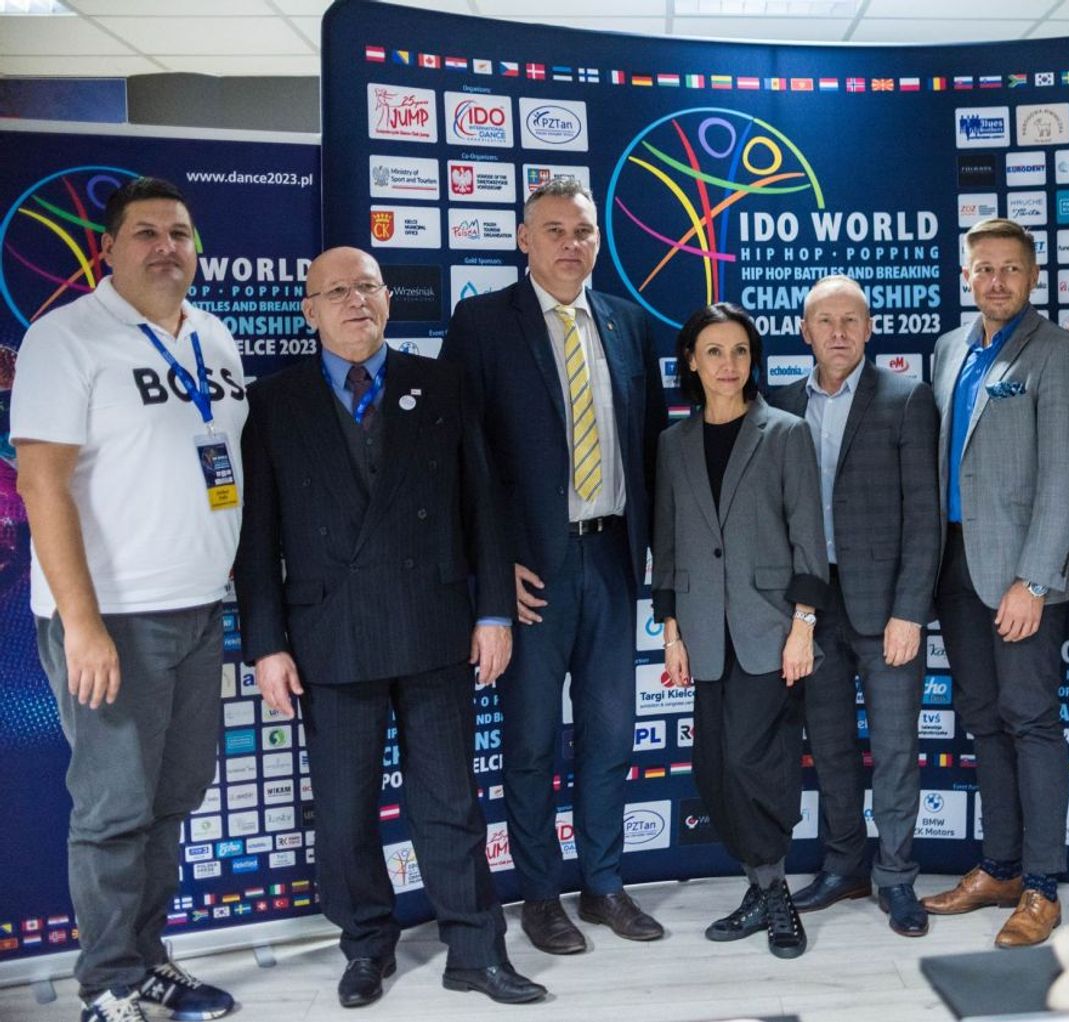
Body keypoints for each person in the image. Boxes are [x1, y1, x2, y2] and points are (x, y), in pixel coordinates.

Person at [234, 247, 545, 1007]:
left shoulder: (442, 383)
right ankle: (366, 945)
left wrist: (494, 611)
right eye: (336, 291)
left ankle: (475, 949)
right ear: (309, 310)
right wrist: (266, 644)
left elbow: (484, 507)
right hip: (330, 637)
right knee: (344, 812)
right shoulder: (272, 402)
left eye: (367, 287)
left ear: (387, 298)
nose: (355, 301)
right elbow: (257, 538)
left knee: (450, 804)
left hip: (435, 629)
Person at [13, 177, 243, 1022]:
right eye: (145, 233)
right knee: (114, 812)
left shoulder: (213, 336)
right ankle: (106, 983)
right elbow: (40, 484)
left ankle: (147, 960)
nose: (166, 247)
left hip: (199, 610)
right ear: (107, 249)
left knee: (172, 802)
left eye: (179, 233)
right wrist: (82, 625)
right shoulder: (65, 337)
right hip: (112, 618)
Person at [441, 177, 667, 953]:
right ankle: (540, 895)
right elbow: (461, 459)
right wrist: (493, 567)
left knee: (610, 735)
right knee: (532, 743)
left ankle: (603, 883)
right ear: (524, 239)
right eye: (555, 230)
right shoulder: (482, 323)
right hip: (530, 573)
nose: (572, 244)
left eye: (583, 231)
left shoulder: (628, 323)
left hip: (611, 558)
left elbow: (650, 446)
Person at [921, 217, 1069, 947]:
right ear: (966, 275)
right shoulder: (948, 349)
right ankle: (999, 867)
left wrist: (1035, 580)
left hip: (1024, 573)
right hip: (956, 566)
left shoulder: (1060, 352)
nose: (996, 281)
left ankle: (1043, 886)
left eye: (1010, 269)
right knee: (984, 719)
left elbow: (1067, 474)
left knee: (1030, 719)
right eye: (984, 268)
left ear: (1033, 276)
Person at [652, 303, 830, 958]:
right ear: (692, 362)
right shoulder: (673, 443)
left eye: (740, 351)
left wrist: (803, 626)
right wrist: (671, 631)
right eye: (714, 351)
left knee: (755, 762)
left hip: (769, 627)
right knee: (713, 766)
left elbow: (808, 539)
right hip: (703, 632)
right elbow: (668, 542)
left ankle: (776, 894)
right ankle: (761, 886)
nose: (728, 365)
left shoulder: (785, 432)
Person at [767, 276, 941, 937]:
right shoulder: (782, 403)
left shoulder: (906, 398)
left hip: (886, 605)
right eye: (825, 320)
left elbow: (924, 517)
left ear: (869, 329)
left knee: (894, 748)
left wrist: (910, 612)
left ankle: (896, 876)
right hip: (811, 607)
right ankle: (845, 866)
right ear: (804, 331)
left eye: (851, 320)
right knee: (831, 745)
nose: (838, 332)